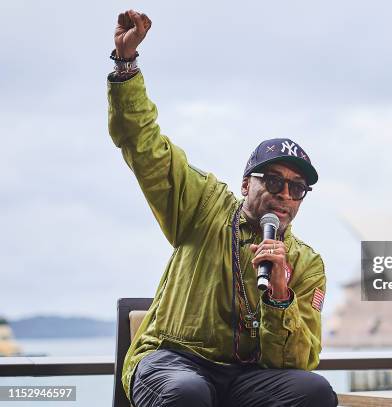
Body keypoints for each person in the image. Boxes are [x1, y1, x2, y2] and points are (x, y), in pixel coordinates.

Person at [107, 9, 337, 407]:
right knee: (189, 392)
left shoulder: (306, 263)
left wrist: (280, 296)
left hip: (246, 379)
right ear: (247, 183)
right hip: (173, 360)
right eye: (275, 181)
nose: (285, 195)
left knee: (315, 391)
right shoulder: (202, 204)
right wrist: (127, 65)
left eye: (297, 188)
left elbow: (299, 361)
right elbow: (145, 146)